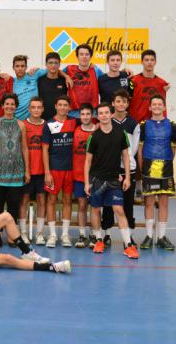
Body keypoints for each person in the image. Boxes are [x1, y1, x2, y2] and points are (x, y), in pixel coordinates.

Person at [84, 102, 139, 259]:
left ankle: (128, 245)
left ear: (111, 114)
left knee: (119, 210)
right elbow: (87, 161)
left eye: (106, 112)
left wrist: (127, 177)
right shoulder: (93, 136)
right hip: (97, 180)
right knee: (95, 210)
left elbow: (126, 156)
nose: (104, 115)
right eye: (100, 113)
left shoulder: (120, 133)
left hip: (114, 180)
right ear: (98, 116)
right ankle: (99, 240)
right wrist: (87, 182)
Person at [0, 93, 30, 245]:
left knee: (13, 205)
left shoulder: (21, 125)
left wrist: (27, 170)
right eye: (7, 104)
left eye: (12, 104)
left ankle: (12, 236)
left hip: (16, 172)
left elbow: (24, 148)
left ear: (16, 106)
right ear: (2, 106)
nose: (10, 107)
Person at [138, 95, 176, 251]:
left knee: (164, 202)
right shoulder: (143, 125)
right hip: (148, 166)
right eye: (154, 104)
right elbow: (140, 148)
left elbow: (174, 148)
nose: (157, 106)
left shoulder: (172, 125)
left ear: (164, 107)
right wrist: (142, 169)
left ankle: (161, 237)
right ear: (150, 107)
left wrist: (167, 162)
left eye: (159, 104)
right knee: (149, 202)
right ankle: (149, 236)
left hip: (166, 166)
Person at [101, 89, 140, 247]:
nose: (121, 104)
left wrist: (126, 161)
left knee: (127, 204)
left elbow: (135, 148)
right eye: (118, 101)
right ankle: (107, 234)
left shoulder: (133, 123)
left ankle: (128, 237)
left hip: (127, 169)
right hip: (109, 170)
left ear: (127, 104)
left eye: (124, 101)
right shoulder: (106, 121)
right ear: (113, 103)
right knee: (108, 204)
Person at [42, 95, 77, 248]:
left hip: (70, 169)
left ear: (69, 107)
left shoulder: (74, 122)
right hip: (54, 169)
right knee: (51, 201)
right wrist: (47, 172)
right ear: (56, 106)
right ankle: (52, 235)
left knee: (68, 201)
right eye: (60, 104)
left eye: (65, 105)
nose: (63, 107)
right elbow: (44, 150)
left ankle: (64, 235)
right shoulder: (48, 124)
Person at [11, 55, 71, 121]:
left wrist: (66, 76)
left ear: (26, 67)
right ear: (13, 68)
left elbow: (53, 69)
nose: (20, 68)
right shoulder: (11, 82)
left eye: (22, 66)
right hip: (17, 119)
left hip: (34, 119)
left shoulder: (34, 75)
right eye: (17, 66)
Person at [21, 97, 47, 245]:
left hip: (43, 171)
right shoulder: (23, 125)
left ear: (42, 109)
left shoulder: (47, 126)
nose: (36, 110)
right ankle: (23, 233)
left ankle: (39, 234)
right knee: (24, 200)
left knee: (41, 201)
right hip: (26, 171)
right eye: (33, 107)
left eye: (39, 107)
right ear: (29, 109)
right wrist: (25, 169)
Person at [72, 103, 96, 248]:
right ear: (79, 116)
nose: (85, 117)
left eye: (88, 114)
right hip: (79, 175)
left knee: (94, 206)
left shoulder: (98, 131)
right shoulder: (75, 131)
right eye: (83, 114)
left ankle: (94, 235)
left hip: (95, 176)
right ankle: (81, 235)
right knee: (82, 205)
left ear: (92, 115)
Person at [129, 49, 170, 123]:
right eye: (146, 60)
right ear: (142, 62)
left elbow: (162, 105)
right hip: (136, 124)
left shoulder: (162, 83)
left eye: (152, 60)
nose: (149, 62)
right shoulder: (133, 80)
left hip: (155, 125)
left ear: (155, 62)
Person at [63, 44, 102, 118]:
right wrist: (66, 76)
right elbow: (55, 72)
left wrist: (123, 71)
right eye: (81, 54)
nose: (84, 56)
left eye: (87, 54)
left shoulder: (96, 70)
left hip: (92, 113)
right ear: (77, 56)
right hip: (73, 113)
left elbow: (109, 77)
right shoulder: (69, 69)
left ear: (90, 56)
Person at [38, 52, 68, 121]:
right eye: (50, 63)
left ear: (59, 65)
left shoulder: (65, 81)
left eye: (56, 63)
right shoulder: (39, 80)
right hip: (42, 120)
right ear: (46, 64)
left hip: (60, 120)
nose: (53, 65)